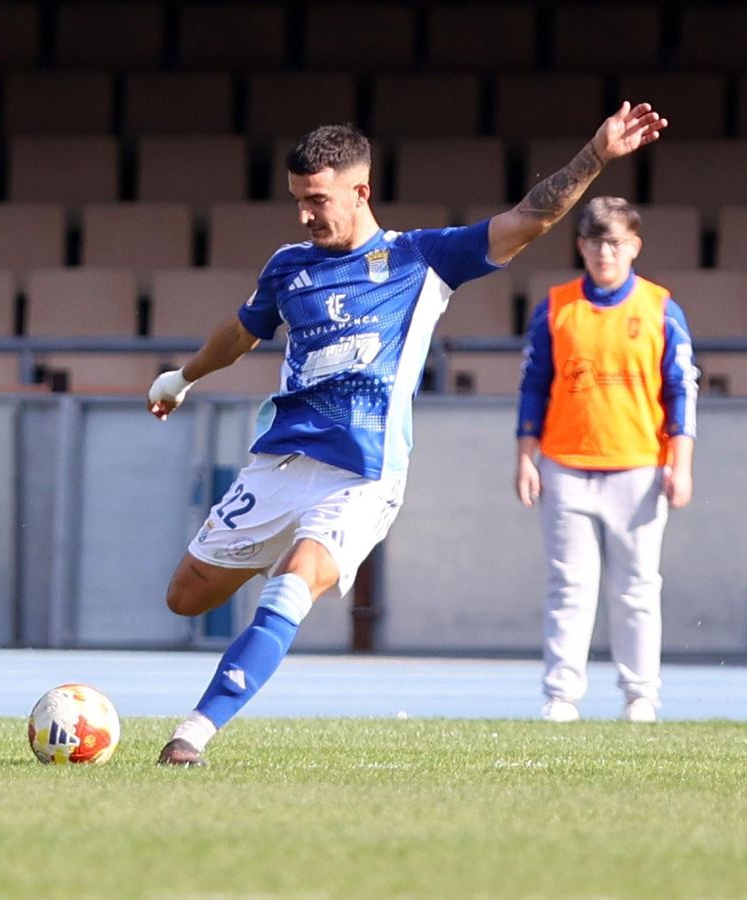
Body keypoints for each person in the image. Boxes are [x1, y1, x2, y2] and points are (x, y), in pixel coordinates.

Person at [146, 103, 668, 766]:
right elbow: (244, 329)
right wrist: (183, 377)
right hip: (279, 465)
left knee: (295, 580)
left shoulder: (420, 259)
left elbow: (530, 219)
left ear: (360, 190)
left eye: (317, 200)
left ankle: (193, 734)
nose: (305, 215)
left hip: (363, 472)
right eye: (298, 201)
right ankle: (270, 584)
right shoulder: (289, 266)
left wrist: (594, 154)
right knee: (185, 598)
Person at [513, 197, 697, 724]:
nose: (604, 253)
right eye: (594, 242)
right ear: (580, 247)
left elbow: (682, 389)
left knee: (637, 587)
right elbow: (533, 386)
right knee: (568, 585)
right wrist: (526, 456)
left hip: (638, 466)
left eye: (615, 242)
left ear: (634, 246)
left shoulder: (661, 308)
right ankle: (561, 696)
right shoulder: (555, 307)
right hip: (565, 464)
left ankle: (641, 695)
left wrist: (680, 462)